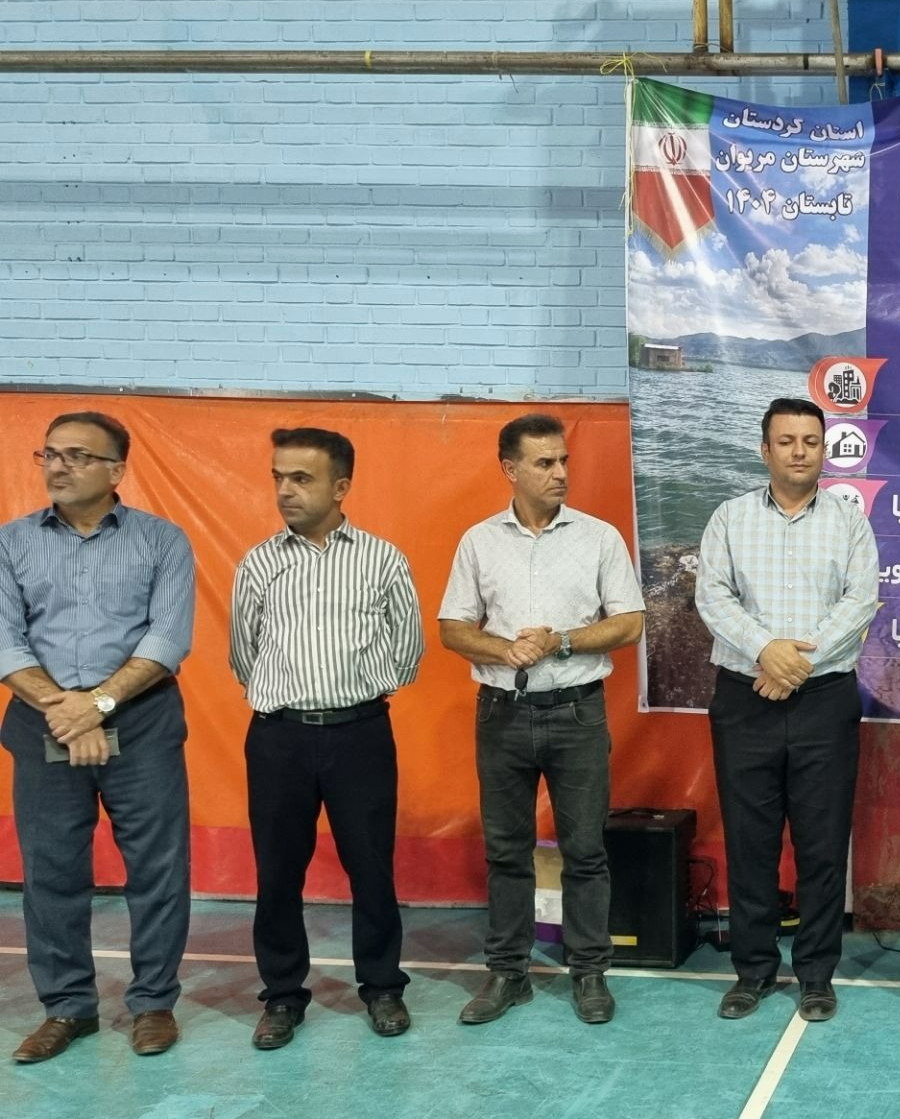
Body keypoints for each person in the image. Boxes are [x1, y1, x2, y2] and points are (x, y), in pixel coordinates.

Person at [438, 413, 646, 1026]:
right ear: (510, 469)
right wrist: (504, 649)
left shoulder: (599, 538)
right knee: (507, 851)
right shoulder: (479, 541)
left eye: (563, 461)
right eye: (544, 463)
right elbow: (452, 627)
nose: (560, 473)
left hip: (577, 712)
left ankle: (589, 973)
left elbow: (630, 622)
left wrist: (561, 643)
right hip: (501, 712)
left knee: (585, 850)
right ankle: (508, 973)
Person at [3, 412, 195, 1063]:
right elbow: (4, 639)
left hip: (141, 722)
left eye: (78, 456)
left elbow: (168, 638)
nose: (58, 466)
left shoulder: (162, 541)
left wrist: (100, 703)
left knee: (157, 868)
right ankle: (67, 1008)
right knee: (51, 870)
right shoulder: (11, 543)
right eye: (50, 454)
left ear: (117, 470)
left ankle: (153, 1004)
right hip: (44, 719)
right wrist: (66, 709)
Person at [229, 428, 425, 1050]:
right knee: (277, 872)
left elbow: (408, 649)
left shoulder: (383, 560)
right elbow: (244, 654)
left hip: (360, 735)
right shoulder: (259, 564)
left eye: (301, 478)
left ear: (341, 487)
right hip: (279, 738)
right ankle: (283, 995)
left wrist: (356, 692)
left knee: (371, 866)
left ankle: (382, 986)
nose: (285, 490)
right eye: (278, 477)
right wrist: (290, 696)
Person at [694, 397, 878, 1023]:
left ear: (825, 450)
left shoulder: (849, 522)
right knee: (751, 843)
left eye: (811, 441)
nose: (800, 452)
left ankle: (816, 974)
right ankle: (752, 971)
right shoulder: (729, 517)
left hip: (824, 699)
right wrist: (765, 651)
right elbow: (712, 597)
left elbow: (861, 601)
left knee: (822, 845)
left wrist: (797, 663)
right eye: (787, 441)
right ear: (764, 450)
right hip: (745, 698)